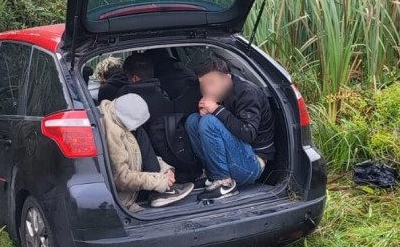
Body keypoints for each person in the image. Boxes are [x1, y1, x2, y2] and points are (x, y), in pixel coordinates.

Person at [185, 56, 275, 201]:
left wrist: (215, 110)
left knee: (208, 122)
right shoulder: (218, 92)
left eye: (211, 83)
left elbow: (248, 133)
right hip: (234, 156)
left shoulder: (247, 93)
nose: (206, 89)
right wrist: (209, 111)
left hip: (252, 163)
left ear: (227, 78)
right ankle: (213, 175)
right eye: (203, 85)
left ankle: (225, 183)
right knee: (193, 121)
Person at [99, 93, 194, 211]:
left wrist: (165, 170)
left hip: (142, 180)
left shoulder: (117, 116)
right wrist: (158, 182)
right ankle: (157, 193)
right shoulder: (112, 134)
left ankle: (161, 189)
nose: (137, 127)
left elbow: (139, 153)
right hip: (124, 197)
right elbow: (121, 179)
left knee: (141, 133)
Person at [116, 53, 202, 182]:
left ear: (133, 78)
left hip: (140, 164)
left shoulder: (123, 97)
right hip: (172, 157)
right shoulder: (164, 97)